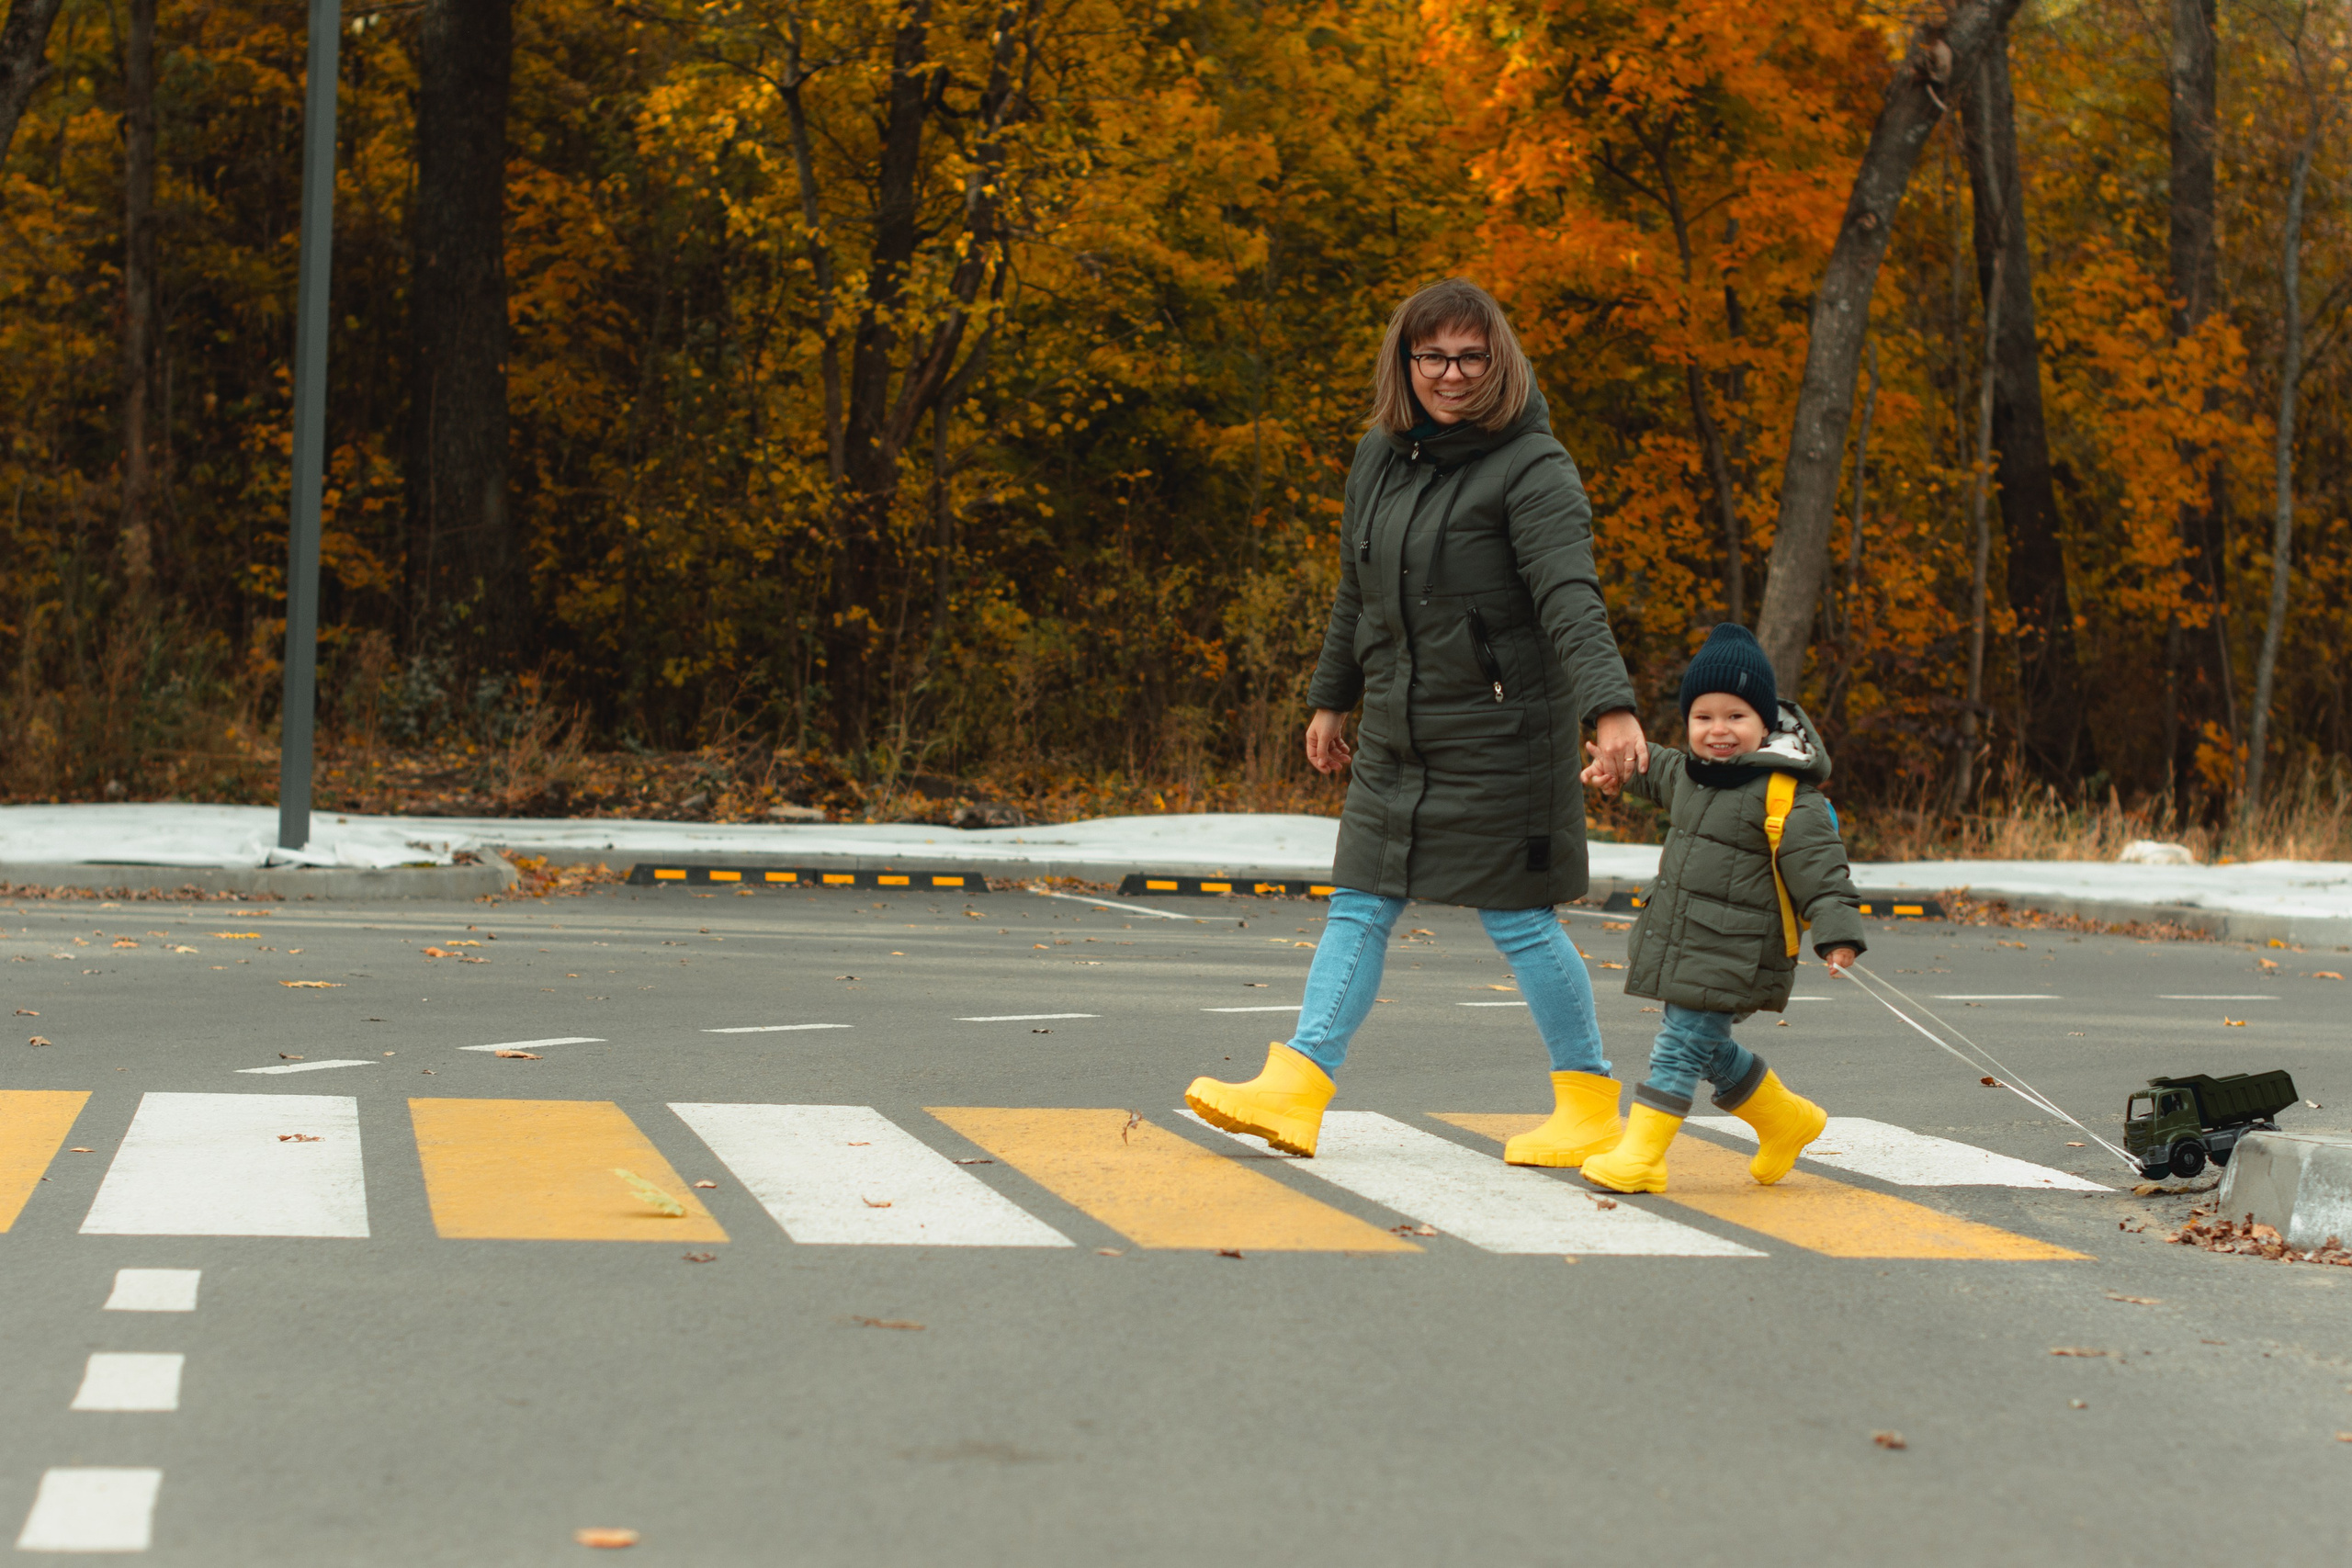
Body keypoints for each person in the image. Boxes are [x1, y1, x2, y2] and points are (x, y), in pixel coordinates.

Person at [1183, 276, 1650, 1165]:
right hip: (1399, 728)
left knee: (1519, 920)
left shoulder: (1533, 466)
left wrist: (1611, 706)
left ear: (1499, 361)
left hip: (1503, 733)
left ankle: (1589, 1103)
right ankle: (1297, 1087)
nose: (1452, 373)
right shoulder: (1381, 456)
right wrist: (1332, 696)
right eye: (1432, 355)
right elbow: (1357, 589)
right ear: (1405, 361)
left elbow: (1569, 595)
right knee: (1359, 904)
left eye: (1472, 356)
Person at [1575, 622, 1864, 1194]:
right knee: (1703, 1044)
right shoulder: (1688, 774)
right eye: (1703, 717)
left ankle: (1643, 1155)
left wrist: (1838, 934)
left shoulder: (1788, 794)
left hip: (1736, 949)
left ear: (1765, 722)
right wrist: (1613, 769)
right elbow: (1645, 765)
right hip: (1687, 937)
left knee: (1681, 1044)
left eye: (1736, 716)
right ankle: (1785, 1119)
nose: (1719, 730)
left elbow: (1824, 873)